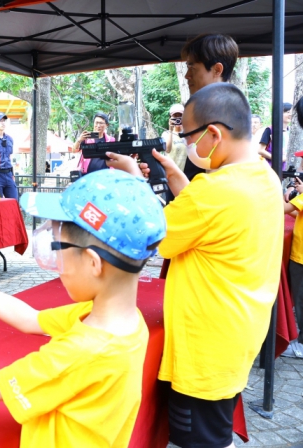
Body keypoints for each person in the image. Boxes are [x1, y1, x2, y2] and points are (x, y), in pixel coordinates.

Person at [0, 169, 166, 447]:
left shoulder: (82, 351)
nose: (55, 258)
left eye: (58, 246)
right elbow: (29, 319)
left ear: (93, 263)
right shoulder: (126, 322)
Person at [106, 83, 283, 448]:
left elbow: (157, 236)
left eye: (188, 136)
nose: (186, 144)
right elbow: (210, 219)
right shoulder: (264, 177)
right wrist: (175, 174)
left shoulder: (213, 192)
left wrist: (135, 182)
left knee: (201, 441)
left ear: (214, 134)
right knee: (216, 432)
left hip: (204, 349)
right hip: (237, 333)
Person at [180, 34, 239, 182]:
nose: (187, 75)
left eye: (192, 68)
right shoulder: (229, 106)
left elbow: (212, 180)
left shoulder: (220, 111)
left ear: (217, 69)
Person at [282, 177, 303, 358]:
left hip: (301, 256)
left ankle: (301, 345)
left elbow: (282, 208)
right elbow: (297, 213)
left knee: (301, 299)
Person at [0, 112, 18, 199]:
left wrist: (12, 174)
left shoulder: (9, 139)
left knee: (14, 201)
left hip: (8, 174)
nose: (3, 123)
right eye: (0, 121)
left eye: (4, 120)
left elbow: (9, 157)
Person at [258, 102, 293, 170]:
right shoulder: (270, 130)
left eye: (292, 112)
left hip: (286, 168)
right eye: (288, 112)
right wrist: (278, 159)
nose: (290, 114)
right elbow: (260, 150)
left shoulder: (291, 132)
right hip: (271, 167)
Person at [162, 104, 188, 171]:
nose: (178, 119)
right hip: (169, 172)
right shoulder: (166, 134)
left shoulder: (187, 134)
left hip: (183, 173)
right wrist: (170, 130)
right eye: (175, 116)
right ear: (170, 118)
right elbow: (167, 150)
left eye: (180, 116)